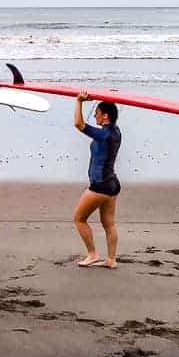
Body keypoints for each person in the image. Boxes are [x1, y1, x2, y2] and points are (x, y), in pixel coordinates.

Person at [73, 93, 121, 268]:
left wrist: (79, 101)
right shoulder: (116, 132)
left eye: (97, 113)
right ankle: (111, 260)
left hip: (99, 186)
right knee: (109, 224)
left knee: (79, 218)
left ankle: (92, 254)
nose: (95, 115)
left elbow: (79, 124)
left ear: (105, 115)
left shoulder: (104, 135)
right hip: (113, 185)